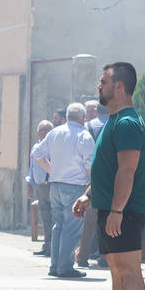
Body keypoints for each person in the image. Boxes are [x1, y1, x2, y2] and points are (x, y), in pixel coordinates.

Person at [73, 63, 145, 290]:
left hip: (126, 210)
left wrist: (117, 210)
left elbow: (127, 170)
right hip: (112, 207)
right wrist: (90, 196)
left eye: (103, 81)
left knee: (129, 271)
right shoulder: (116, 120)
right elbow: (107, 170)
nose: (99, 86)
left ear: (119, 86)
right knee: (117, 270)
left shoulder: (127, 122)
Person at [37, 103, 95, 278]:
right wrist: (93, 186)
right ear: (83, 118)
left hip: (55, 185)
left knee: (59, 226)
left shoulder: (55, 132)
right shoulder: (84, 135)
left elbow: (38, 155)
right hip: (75, 186)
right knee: (72, 228)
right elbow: (90, 165)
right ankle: (65, 267)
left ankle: (55, 265)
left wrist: (52, 171)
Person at [76, 100, 105, 268]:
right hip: (108, 177)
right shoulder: (114, 125)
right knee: (106, 218)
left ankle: (82, 256)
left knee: (89, 219)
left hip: (90, 176)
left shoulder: (88, 127)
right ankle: (105, 257)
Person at [28, 119, 55, 256]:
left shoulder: (53, 146)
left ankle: (53, 247)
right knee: (44, 216)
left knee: (54, 216)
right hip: (40, 186)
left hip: (50, 184)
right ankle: (46, 245)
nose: (43, 132)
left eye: (47, 129)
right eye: (41, 130)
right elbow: (32, 168)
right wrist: (30, 184)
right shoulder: (35, 146)